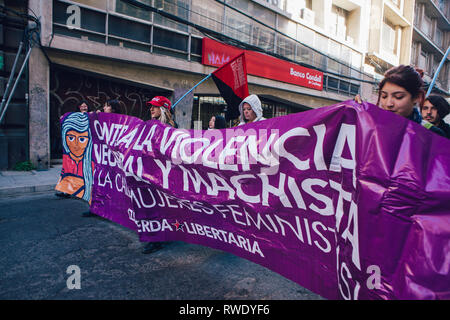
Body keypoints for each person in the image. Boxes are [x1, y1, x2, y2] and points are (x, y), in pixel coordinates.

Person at [357, 65, 445, 137]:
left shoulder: (432, 135)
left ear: (417, 97)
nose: (388, 103)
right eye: (384, 96)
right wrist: (353, 111)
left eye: (398, 97)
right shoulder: (371, 124)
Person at [142, 96, 176, 254]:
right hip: (150, 172)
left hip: (165, 175)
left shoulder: (171, 128)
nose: (151, 109)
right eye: (151, 106)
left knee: (161, 207)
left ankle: (157, 239)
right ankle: (156, 236)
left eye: (155, 106)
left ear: (163, 109)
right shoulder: (149, 126)